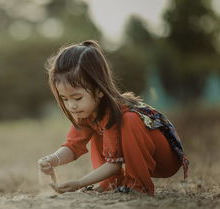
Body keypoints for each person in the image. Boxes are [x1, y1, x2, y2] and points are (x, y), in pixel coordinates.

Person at [38, 40, 189, 196]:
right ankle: (111, 184)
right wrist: (52, 160)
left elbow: (113, 165)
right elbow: (72, 146)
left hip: (164, 159)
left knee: (130, 120)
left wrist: (79, 183)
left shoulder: (115, 112)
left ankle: (138, 186)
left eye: (77, 98)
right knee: (98, 132)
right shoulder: (86, 113)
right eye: (64, 99)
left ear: (99, 90)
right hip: (138, 158)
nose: (71, 106)